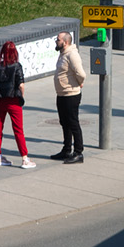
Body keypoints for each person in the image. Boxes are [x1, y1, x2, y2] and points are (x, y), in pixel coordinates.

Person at [0, 40, 34, 169]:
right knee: (18, 130)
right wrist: (21, 97)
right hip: (14, 101)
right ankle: (24, 158)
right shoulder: (17, 66)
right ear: (14, 53)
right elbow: (21, 85)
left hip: (0, 100)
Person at [52, 31, 86, 163]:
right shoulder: (63, 54)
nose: (56, 41)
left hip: (71, 95)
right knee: (64, 122)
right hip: (61, 94)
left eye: (58, 39)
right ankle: (66, 150)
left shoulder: (72, 54)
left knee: (73, 123)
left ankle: (78, 152)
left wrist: (79, 83)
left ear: (65, 42)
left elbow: (81, 73)